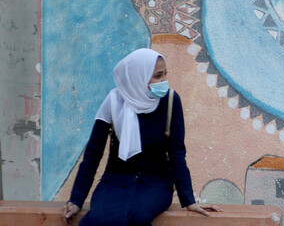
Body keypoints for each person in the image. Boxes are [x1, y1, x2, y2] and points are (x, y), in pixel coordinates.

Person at [63, 48, 221, 225]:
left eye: (165, 74)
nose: (164, 81)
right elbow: (93, 153)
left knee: (139, 217)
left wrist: (189, 200)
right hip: (115, 181)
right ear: (137, 77)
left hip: (156, 183)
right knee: (98, 219)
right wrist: (76, 200)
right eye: (158, 76)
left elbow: (177, 153)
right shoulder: (114, 101)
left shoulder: (170, 101)